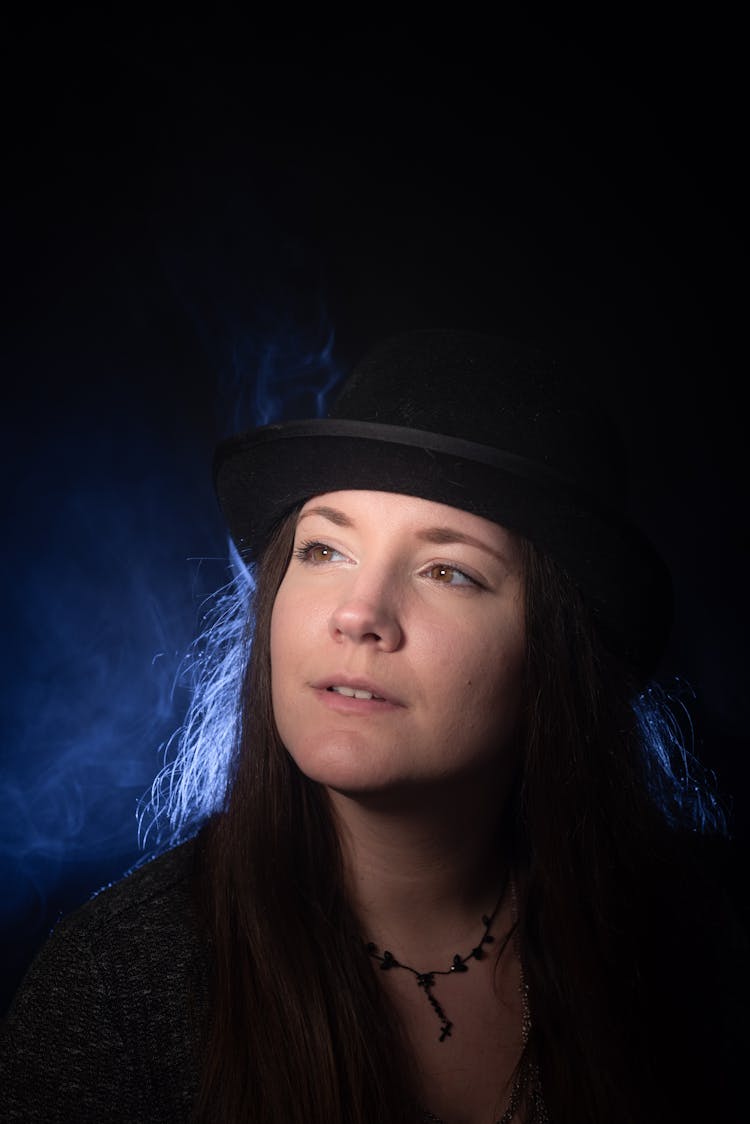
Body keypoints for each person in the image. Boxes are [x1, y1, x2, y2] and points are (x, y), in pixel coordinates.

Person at [1, 330, 745, 1123]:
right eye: (324, 551)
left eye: (448, 571)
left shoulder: (711, 942)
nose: (359, 614)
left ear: (553, 656)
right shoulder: (118, 983)